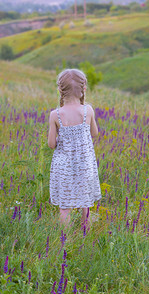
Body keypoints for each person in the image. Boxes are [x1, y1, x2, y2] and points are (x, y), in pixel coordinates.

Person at [47, 69, 101, 233]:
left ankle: (66, 240)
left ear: (60, 90)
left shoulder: (55, 115)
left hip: (64, 167)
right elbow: (94, 133)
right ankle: (86, 231)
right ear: (84, 89)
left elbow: (51, 144)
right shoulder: (88, 111)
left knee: (65, 206)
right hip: (84, 164)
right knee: (85, 201)